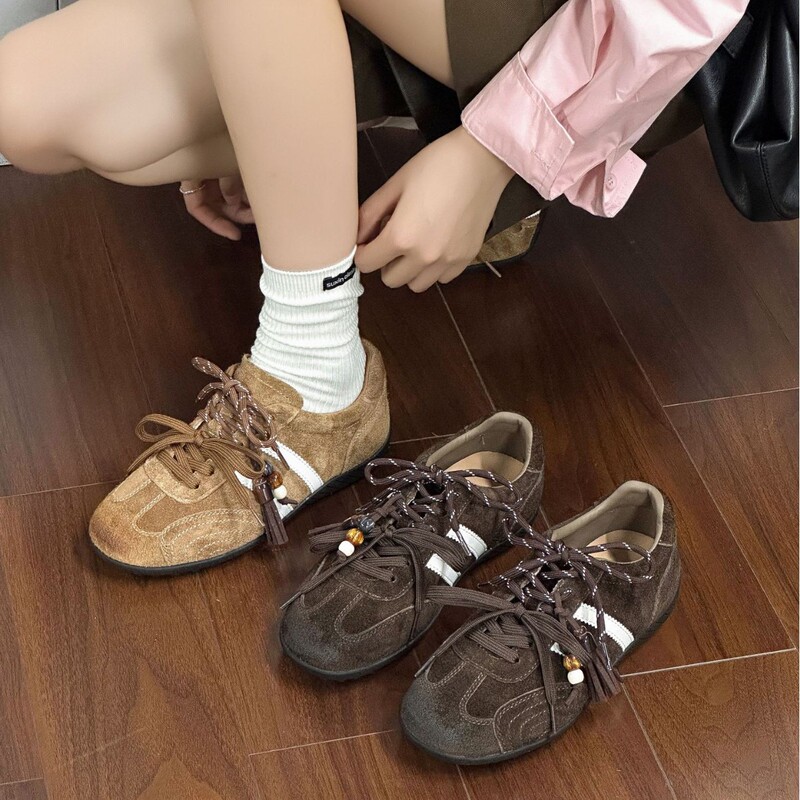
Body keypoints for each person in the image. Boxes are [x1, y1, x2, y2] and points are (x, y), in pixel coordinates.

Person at [0, 0, 746, 574]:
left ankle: (316, 373)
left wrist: (496, 154)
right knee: (27, 104)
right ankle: (369, 122)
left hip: (642, 40)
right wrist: (261, 104)